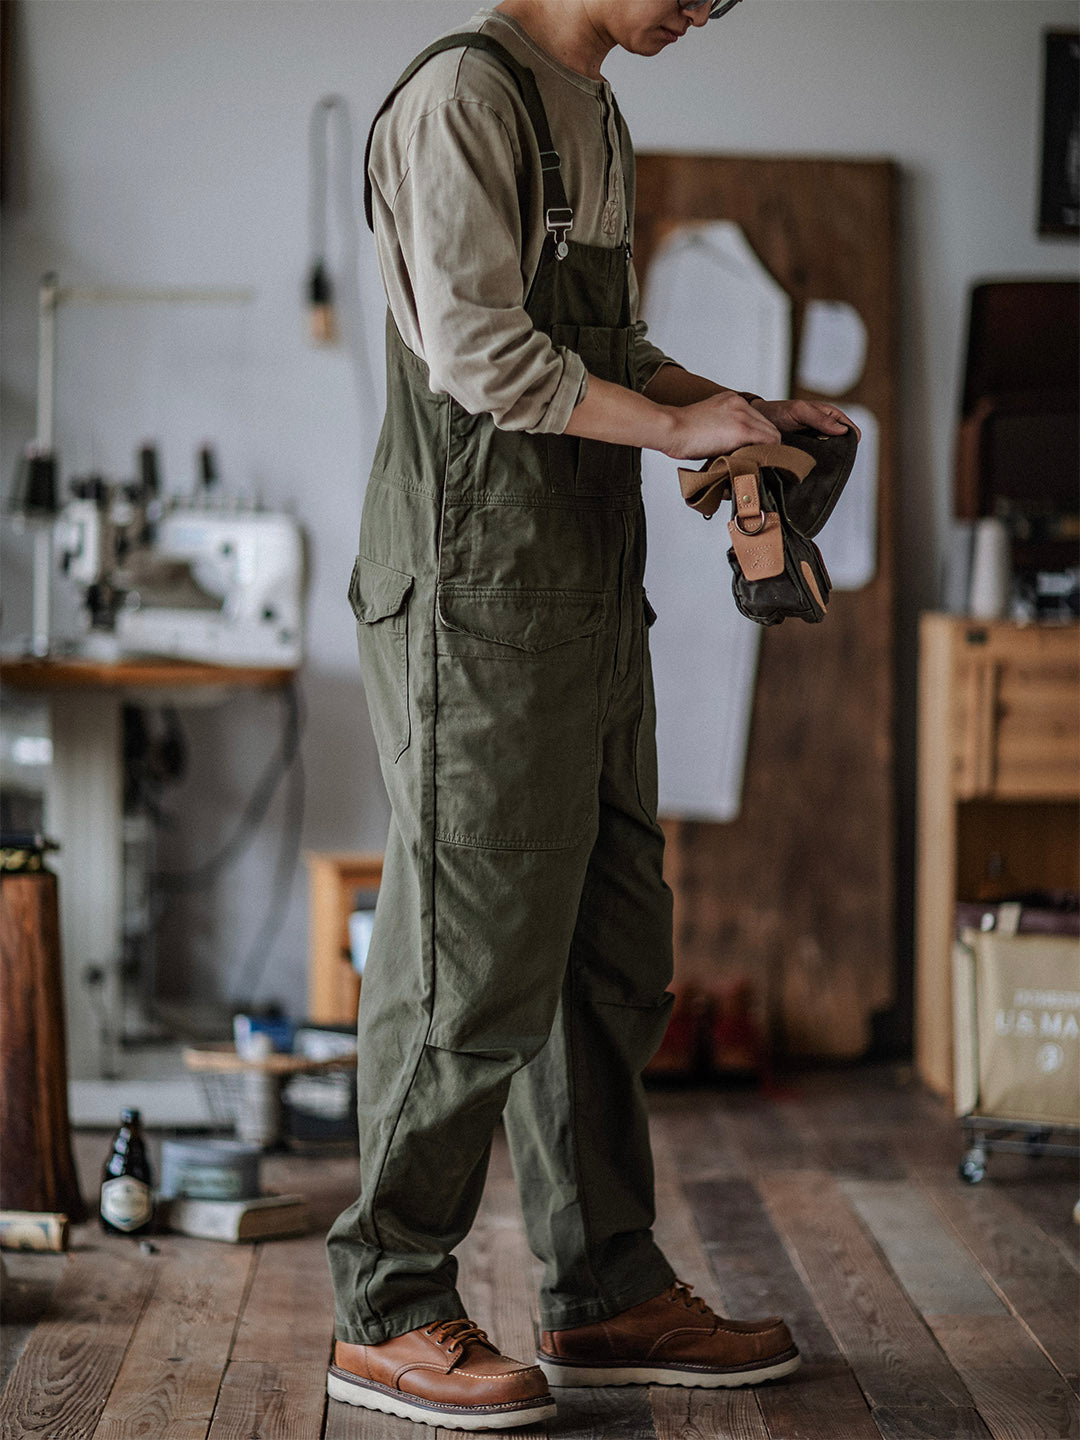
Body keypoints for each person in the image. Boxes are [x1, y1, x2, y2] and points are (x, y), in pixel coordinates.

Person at [326, 1, 859, 1430]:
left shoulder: (596, 110)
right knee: (473, 956)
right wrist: (681, 431)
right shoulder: (462, 98)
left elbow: (611, 343)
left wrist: (734, 409)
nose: (710, 5)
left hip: (582, 597)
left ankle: (604, 1288)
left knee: (609, 954)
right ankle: (384, 1305)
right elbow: (482, 356)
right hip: (473, 593)